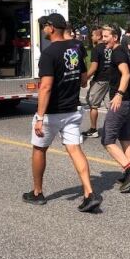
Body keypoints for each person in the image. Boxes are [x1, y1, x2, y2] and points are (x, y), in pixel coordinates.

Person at [25, 13, 101, 212]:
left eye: (44, 26)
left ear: (51, 28)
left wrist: (40, 117)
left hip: (52, 113)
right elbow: (84, 79)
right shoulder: (76, 47)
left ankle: (37, 193)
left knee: (39, 149)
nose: (43, 30)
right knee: (75, 149)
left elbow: (46, 87)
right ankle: (89, 193)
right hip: (73, 109)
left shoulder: (49, 54)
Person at [100, 26, 130, 192]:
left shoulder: (118, 52)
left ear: (115, 37)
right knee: (125, 138)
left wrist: (118, 94)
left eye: (106, 36)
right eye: (102, 36)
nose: (103, 39)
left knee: (107, 139)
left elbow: (125, 74)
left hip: (123, 101)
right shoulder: (123, 51)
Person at [82, 28, 111, 138]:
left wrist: (85, 79)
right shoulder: (109, 47)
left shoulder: (96, 49)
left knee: (93, 104)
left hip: (100, 80)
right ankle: (111, 129)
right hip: (111, 79)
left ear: (99, 36)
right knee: (110, 106)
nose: (91, 37)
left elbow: (94, 68)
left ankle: (93, 129)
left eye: (93, 35)